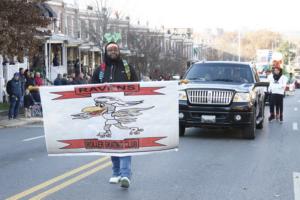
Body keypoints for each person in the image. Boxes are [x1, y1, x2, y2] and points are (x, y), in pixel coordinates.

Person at [91, 42, 138, 188]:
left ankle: (125, 175)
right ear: (106, 52)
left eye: (115, 49)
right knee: (112, 143)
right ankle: (116, 173)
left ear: (119, 51)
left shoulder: (128, 68)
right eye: (110, 49)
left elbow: (138, 87)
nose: (113, 51)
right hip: (107, 113)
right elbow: (90, 90)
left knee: (124, 142)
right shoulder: (100, 70)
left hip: (124, 112)